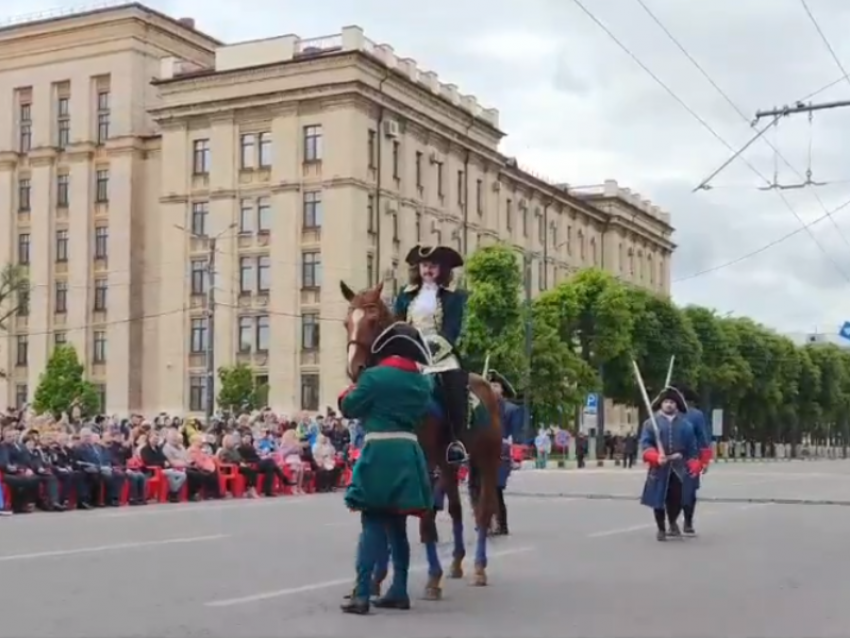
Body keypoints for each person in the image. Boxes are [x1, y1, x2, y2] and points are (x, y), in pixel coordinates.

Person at [338, 321, 434, 615]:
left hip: (379, 452)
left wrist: (349, 393)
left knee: (372, 523)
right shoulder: (423, 382)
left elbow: (350, 406)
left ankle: (362, 593)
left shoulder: (374, 377)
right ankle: (399, 590)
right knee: (398, 526)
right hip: (408, 451)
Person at [394, 245, 469, 465]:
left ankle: (456, 441)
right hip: (410, 349)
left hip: (440, 353)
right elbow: (397, 323)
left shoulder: (453, 296)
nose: (428, 269)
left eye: (433, 265)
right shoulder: (405, 295)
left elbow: (452, 329)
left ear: (442, 269)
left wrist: (432, 351)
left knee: (454, 383)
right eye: (424, 265)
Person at [639, 386, 702, 541]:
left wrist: (694, 463)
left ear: (677, 405)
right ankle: (661, 528)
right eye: (666, 402)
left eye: (672, 402)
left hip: (678, 467)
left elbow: (692, 449)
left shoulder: (686, 426)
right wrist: (655, 457)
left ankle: (672, 521)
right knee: (658, 498)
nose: (669, 405)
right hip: (659, 467)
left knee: (678, 498)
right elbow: (645, 444)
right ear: (661, 404)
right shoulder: (650, 423)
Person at [487, 370, 520, 536]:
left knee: (496, 488)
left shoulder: (511, 409)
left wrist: (517, 456)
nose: (492, 388)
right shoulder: (481, 406)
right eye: (490, 385)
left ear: (502, 389)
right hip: (484, 450)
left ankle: (502, 524)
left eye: (496, 385)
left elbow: (516, 435)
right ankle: (487, 521)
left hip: (502, 451)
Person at [680, 386, 712, 535]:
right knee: (680, 492)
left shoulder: (694, 415)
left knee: (683, 492)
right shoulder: (665, 414)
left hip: (685, 459)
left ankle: (682, 521)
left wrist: (704, 460)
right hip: (680, 460)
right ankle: (680, 522)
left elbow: (702, 438)